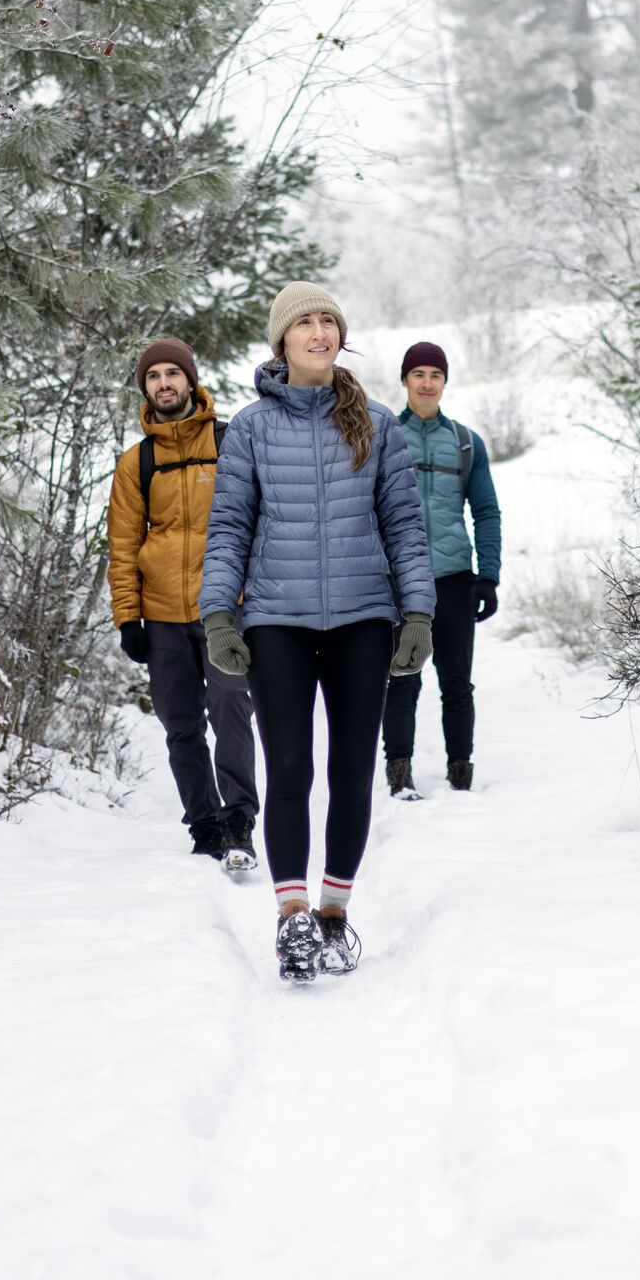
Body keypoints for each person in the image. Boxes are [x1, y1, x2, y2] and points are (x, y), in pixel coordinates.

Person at [199, 284, 436, 982]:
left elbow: (405, 527)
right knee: (293, 770)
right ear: (282, 341)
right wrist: (219, 613)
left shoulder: (380, 424)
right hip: (277, 618)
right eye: (305, 321)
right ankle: (291, 917)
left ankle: (334, 913)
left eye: (329, 320)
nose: (320, 330)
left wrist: (417, 612)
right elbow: (230, 529)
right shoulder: (250, 429)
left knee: (352, 770)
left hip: (365, 615)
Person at [107, 337, 258, 870]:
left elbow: (259, 525)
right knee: (181, 725)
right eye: (154, 376)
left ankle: (240, 817)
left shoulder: (231, 441)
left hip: (226, 610)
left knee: (232, 710)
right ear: (145, 388)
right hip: (163, 615)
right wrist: (129, 618)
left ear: (191, 380)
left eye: (173, 373)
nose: (164, 383)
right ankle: (205, 823)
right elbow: (123, 546)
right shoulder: (137, 462)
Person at [382, 341, 503, 797]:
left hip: (454, 577)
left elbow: (487, 511)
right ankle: (399, 773)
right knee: (401, 678)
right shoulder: (385, 436)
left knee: (456, 682)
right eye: (418, 375)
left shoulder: (466, 442)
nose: (427, 383)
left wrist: (488, 575)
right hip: (400, 580)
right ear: (405, 381)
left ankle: (460, 771)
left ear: (444, 382)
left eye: (435, 375)